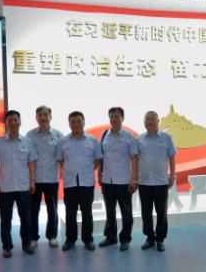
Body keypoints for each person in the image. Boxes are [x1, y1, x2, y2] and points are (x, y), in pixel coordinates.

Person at [0, 110, 37, 257]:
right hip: (5, 187)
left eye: (15, 119)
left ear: (20, 121)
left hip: (23, 186)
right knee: (6, 219)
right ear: (6, 122)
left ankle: (26, 244)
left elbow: (31, 163)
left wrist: (32, 181)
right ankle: (7, 246)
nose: (13, 123)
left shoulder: (27, 142)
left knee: (26, 218)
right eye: (10, 120)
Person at [57, 111, 102, 251]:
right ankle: (70, 240)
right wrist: (71, 170)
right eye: (73, 121)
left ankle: (88, 239)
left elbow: (98, 159)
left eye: (78, 121)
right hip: (70, 183)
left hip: (86, 182)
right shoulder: (63, 141)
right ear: (69, 124)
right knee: (70, 213)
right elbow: (60, 160)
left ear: (84, 122)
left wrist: (87, 170)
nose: (76, 124)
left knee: (87, 212)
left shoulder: (92, 140)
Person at [98, 107, 139, 251]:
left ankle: (125, 239)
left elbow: (134, 159)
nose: (114, 119)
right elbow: (101, 158)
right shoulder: (104, 135)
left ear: (122, 118)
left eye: (117, 116)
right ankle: (111, 237)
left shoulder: (129, 137)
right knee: (110, 212)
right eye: (112, 117)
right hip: (107, 180)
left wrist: (134, 179)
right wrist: (99, 175)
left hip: (123, 181)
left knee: (126, 212)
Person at [136, 111, 177, 252]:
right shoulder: (139, 140)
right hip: (144, 182)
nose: (150, 122)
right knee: (146, 212)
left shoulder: (167, 138)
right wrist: (134, 178)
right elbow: (135, 160)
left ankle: (160, 240)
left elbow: (172, 158)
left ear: (158, 122)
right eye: (147, 119)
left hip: (161, 182)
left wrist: (172, 176)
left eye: (152, 119)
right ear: (144, 122)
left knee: (161, 212)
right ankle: (150, 238)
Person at [26, 105, 63, 248]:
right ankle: (33, 237)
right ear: (36, 118)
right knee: (33, 210)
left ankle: (52, 236)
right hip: (34, 179)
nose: (43, 117)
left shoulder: (58, 135)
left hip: (52, 178)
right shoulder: (29, 135)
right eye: (40, 115)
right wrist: (30, 179)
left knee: (52, 209)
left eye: (45, 114)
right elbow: (28, 158)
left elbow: (61, 156)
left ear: (50, 117)